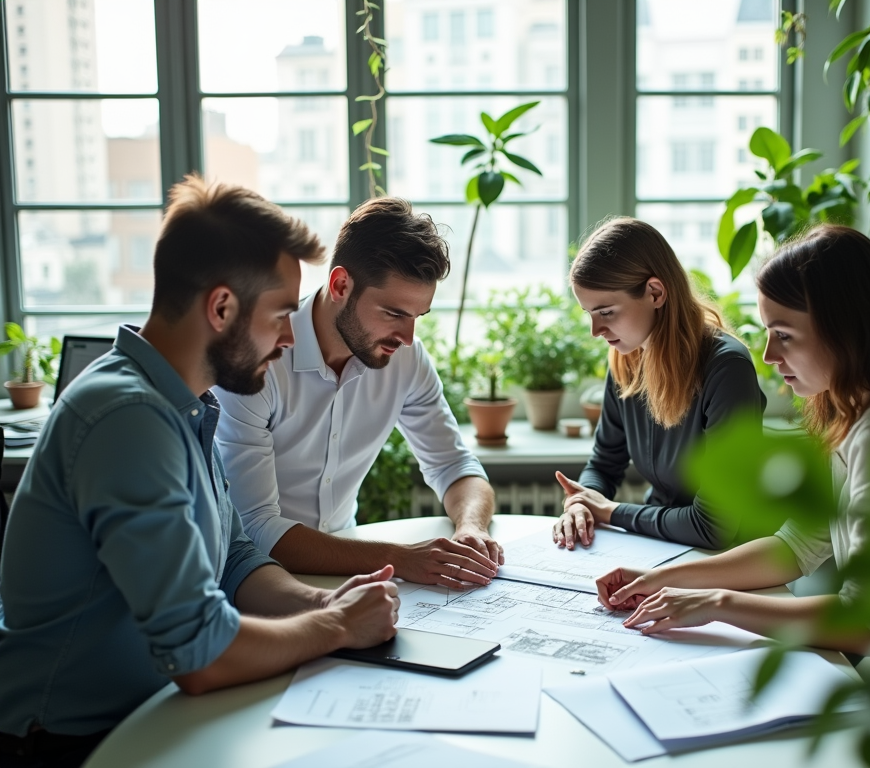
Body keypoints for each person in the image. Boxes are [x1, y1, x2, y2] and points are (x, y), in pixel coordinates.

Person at [0, 176, 400, 768]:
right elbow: (199, 652)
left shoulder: (183, 404)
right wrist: (336, 627)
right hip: (70, 743)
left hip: (153, 716)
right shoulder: (127, 418)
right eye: (281, 314)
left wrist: (319, 603)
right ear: (221, 308)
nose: (289, 338)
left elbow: (235, 558)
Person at [595, 224, 870, 655]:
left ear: (846, 330)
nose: (768, 355)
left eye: (783, 335)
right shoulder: (851, 415)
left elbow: (867, 625)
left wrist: (717, 604)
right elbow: (794, 548)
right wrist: (660, 578)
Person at [214, 197, 502, 590]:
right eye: (393, 313)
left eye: (417, 317)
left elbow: (455, 466)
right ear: (340, 285)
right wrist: (400, 558)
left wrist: (471, 526)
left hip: (349, 568)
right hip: (258, 581)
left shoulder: (405, 357)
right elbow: (257, 528)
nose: (407, 338)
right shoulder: (259, 358)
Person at [552, 217, 766, 550]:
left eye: (606, 312)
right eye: (589, 314)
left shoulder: (727, 368)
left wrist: (609, 512)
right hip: (662, 545)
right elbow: (604, 463)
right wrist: (581, 503)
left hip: (727, 557)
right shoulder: (627, 358)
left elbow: (714, 525)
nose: (595, 331)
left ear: (655, 292)